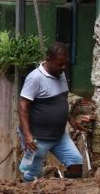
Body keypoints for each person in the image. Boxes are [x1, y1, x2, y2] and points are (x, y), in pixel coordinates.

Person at [18, 42, 87, 181]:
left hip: (59, 136)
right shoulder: (35, 78)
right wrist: (27, 135)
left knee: (76, 164)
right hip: (38, 139)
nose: (63, 68)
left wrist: (71, 120)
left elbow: (60, 102)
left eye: (65, 64)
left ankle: (57, 185)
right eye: (60, 64)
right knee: (32, 177)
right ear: (48, 59)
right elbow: (23, 105)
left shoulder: (60, 74)